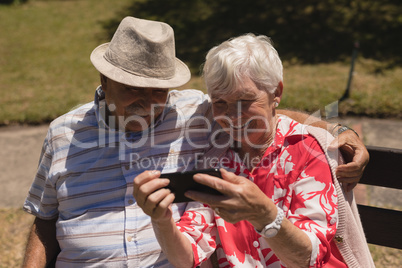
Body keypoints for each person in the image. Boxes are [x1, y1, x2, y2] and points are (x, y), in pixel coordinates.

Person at [22, 17, 368, 267]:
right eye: (132, 89)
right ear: (105, 79)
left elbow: (262, 112)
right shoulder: (64, 133)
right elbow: (44, 218)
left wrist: (336, 130)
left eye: (158, 90)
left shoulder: (196, 114)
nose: (148, 102)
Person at [133, 34, 374, 267]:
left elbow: (306, 259)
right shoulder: (216, 159)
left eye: (245, 101)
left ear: (276, 93)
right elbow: (188, 257)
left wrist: (265, 214)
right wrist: (161, 220)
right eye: (220, 103)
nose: (233, 116)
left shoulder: (308, 149)